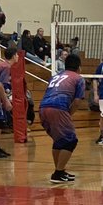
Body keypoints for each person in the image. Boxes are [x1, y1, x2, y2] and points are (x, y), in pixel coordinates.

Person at [38, 54, 86, 183]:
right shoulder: (78, 78)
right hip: (58, 107)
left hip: (43, 108)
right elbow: (76, 102)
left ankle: (60, 170)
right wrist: (68, 114)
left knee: (59, 141)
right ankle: (58, 173)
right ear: (79, 67)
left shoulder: (55, 76)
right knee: (71, 140)